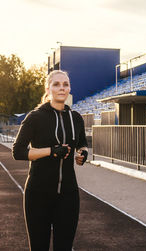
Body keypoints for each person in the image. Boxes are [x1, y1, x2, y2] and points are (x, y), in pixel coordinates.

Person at [12, 70, 88, 251]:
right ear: (48, 88)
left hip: (68, 195)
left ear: (69, 88)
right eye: (56, 84)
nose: (62, 88)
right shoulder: (35, 117)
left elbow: (82, 144)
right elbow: (18, 151)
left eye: (65, 84)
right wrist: (51, 151)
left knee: (64, 247)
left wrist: (82, 154)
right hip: (38, 194)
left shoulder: (76, 118)